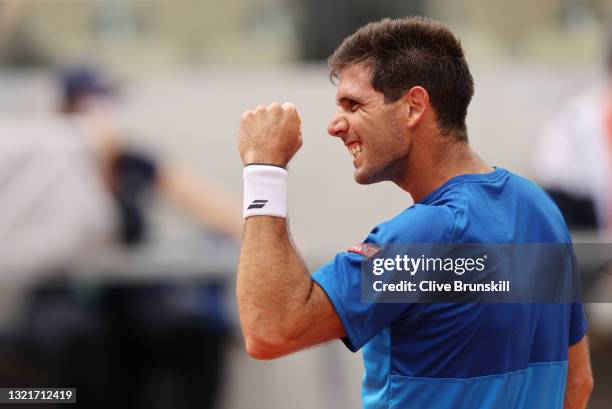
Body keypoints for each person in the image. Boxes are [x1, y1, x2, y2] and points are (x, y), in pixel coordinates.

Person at [236, 16, 593, 409]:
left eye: (354, 105)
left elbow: (270, 329)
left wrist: (264, 168)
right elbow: (577, 383)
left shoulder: (424, 237)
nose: (335, 126)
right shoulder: (540, 208)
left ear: (413, 107)